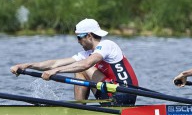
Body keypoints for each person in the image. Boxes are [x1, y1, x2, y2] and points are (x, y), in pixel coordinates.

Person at [10, 18, 139, 106]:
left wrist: (55, 71)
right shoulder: (87, 54)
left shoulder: (107, 45)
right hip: (111, 94)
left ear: (89, 36)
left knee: (82, 68)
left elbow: (86, 64)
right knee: (80, 70)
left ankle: (79, 110)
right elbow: (54, 63)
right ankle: (81, 109)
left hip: (125, 93)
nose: (78, 41)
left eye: (79, 37)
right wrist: (27, 65)